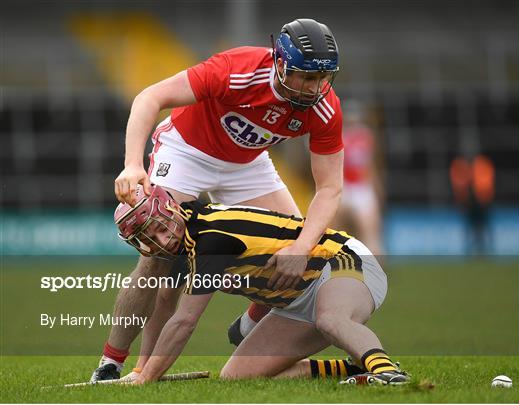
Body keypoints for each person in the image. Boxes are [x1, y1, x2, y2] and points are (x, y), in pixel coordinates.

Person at [92, 18, 345, 381]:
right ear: (279, 63)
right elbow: (150, 96)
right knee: (158, 260)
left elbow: (329, 188)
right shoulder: (238, 70)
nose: (314, 88)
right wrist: (132, 164)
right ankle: (111, 363)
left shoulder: (324, 107)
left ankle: (248, 324)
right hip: (187, 151)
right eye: (305, 77)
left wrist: (303, 246)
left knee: (296, 252)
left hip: (248, 163)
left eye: (322, 78)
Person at [115, 185, 409, 386]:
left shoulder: (210, 237)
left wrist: (146, 379)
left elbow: (185, 321)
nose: (162, 239)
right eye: (148, 235)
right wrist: (142, 368)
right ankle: (354, 366)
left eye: (160, 225)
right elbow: (164, 305)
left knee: (331, 319)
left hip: (341, 260)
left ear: (170, 208)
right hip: (295, 300)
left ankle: (388, 373)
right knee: (238, 377)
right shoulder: (185, 247)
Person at [331, 99, 384, 257]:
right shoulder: (364, 135)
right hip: (350, 186)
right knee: (366, 232)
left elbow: (370, 165)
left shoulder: (345, 135)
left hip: (353, 186)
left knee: (361, 230)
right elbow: (372, 165)